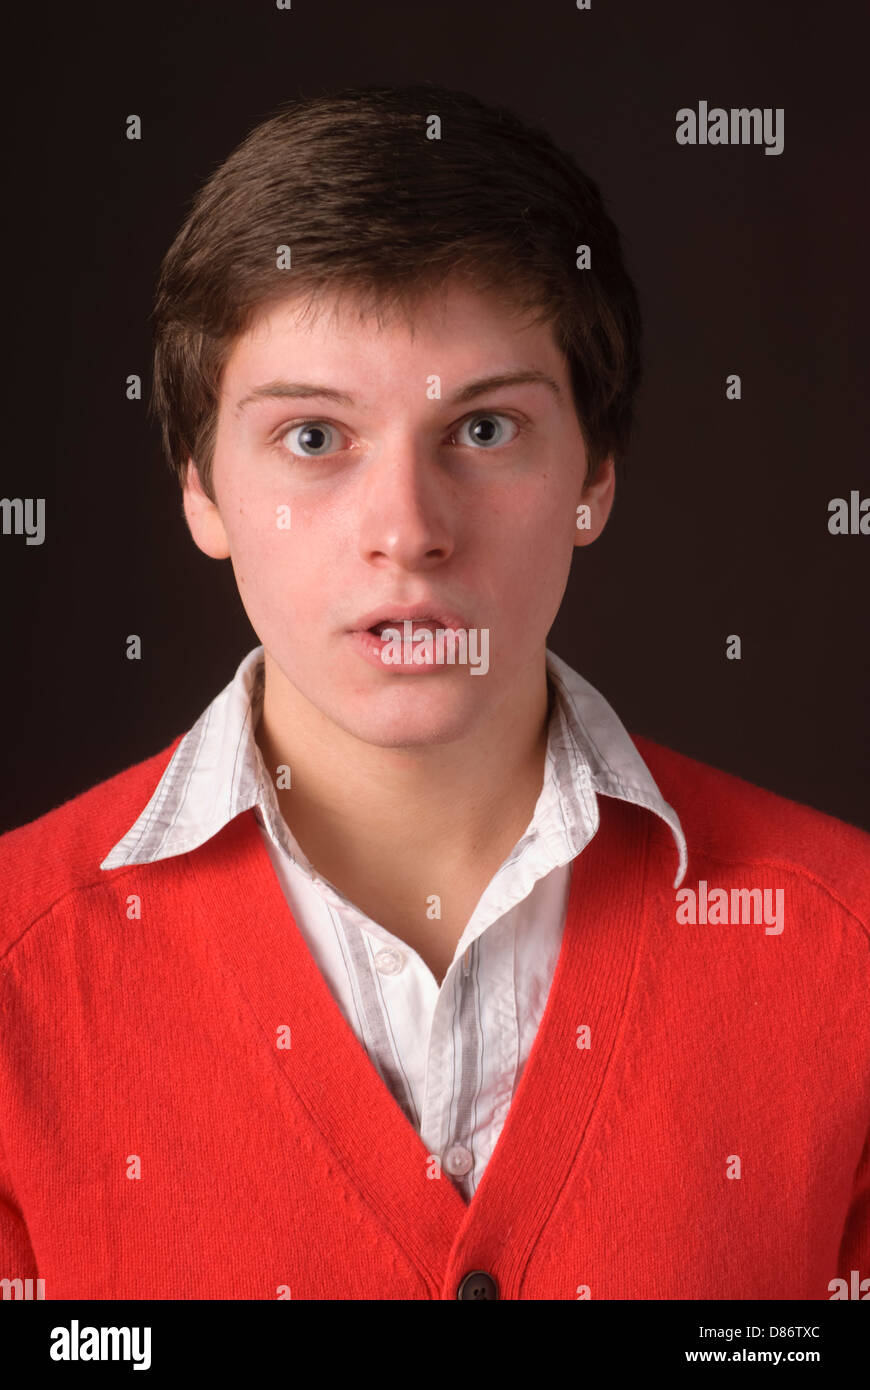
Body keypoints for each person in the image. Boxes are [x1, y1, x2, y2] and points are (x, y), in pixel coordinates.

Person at [1, 84, 867, 1302]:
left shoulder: (847, 952)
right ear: (200, 487)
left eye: (486, 429)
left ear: (596, 474)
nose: (407, 532)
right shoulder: (15, 973)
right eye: (313, 437)